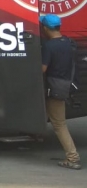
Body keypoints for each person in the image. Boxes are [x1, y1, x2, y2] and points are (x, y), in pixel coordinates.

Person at [40, 14, 81, 170]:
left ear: (45, 28)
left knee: (59, 124)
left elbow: (43, 69)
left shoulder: (49, 46)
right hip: (65, 85)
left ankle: (73, 157)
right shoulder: (68, 42)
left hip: (55, 88)